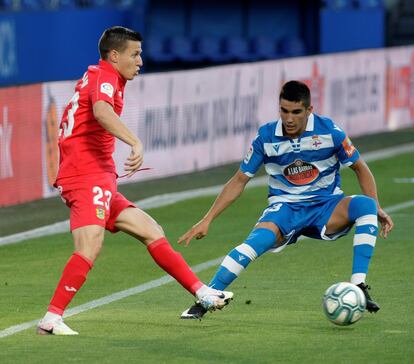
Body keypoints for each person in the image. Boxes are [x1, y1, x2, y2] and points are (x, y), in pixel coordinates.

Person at [37, 26, 233, 335]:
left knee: (150, 229)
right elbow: (101, 112)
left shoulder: (101, 75)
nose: (140, 61)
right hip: (85, 175)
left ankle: (202, 292)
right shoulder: (105, 78)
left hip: (95, 175)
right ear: (114, 56)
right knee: (90, 244)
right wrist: (135, 143)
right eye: (135, 54)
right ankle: (52, 317)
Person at [178, 80, 394, 320]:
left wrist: (376, 207)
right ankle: (207, 298)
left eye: (296, 112)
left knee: (365, 205)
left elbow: (361, 169)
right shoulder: (266, 136)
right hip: (286, 208)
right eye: (284, 111)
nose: (289, 118)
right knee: (257, 241)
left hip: (326, 207)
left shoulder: (331, 132)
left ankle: (359, 287)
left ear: (309, 110)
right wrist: (207, 219)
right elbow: (239, 180)